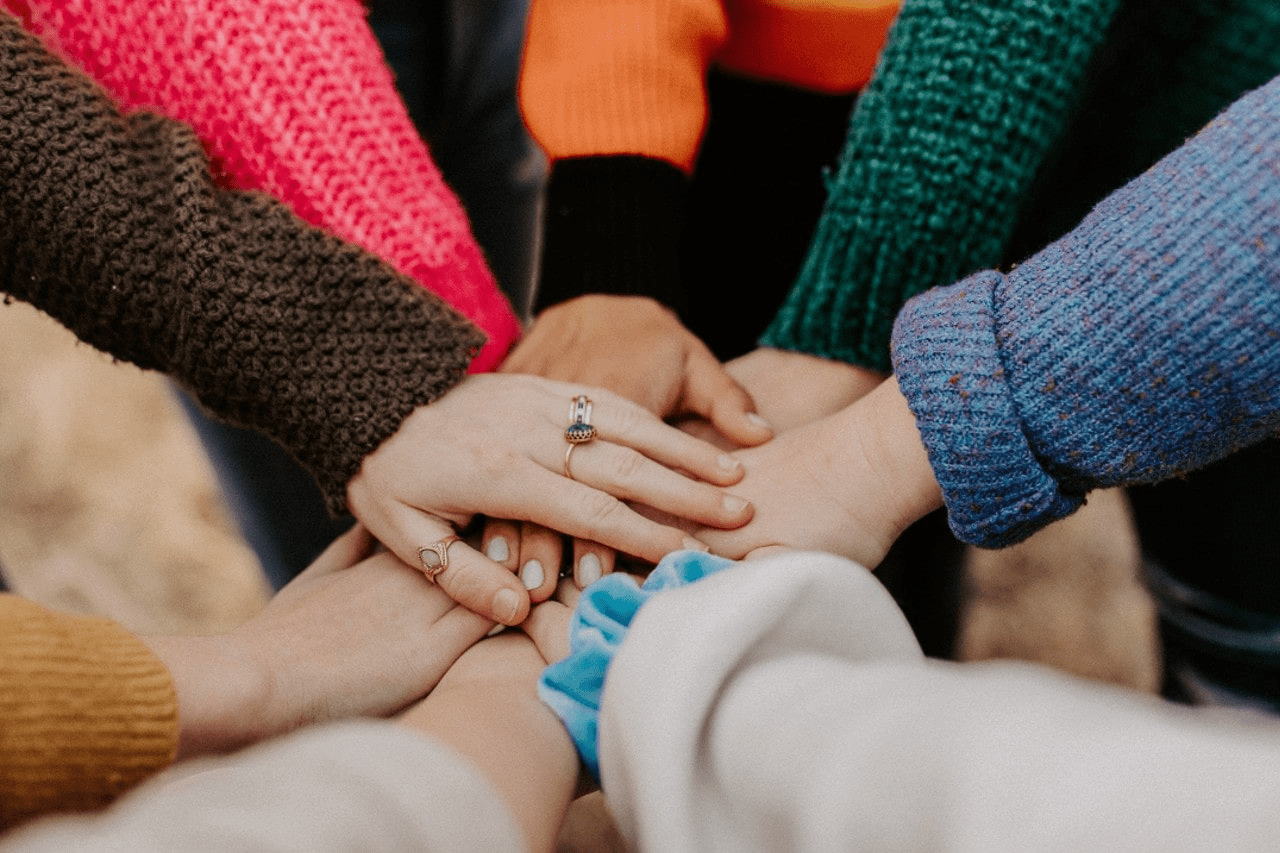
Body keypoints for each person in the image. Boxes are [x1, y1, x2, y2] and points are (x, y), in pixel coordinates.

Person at [0, 11, 752, 628]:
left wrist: (608, 253)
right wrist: (358, 361)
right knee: (419, 588)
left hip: (502, 26)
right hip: (221, 76)